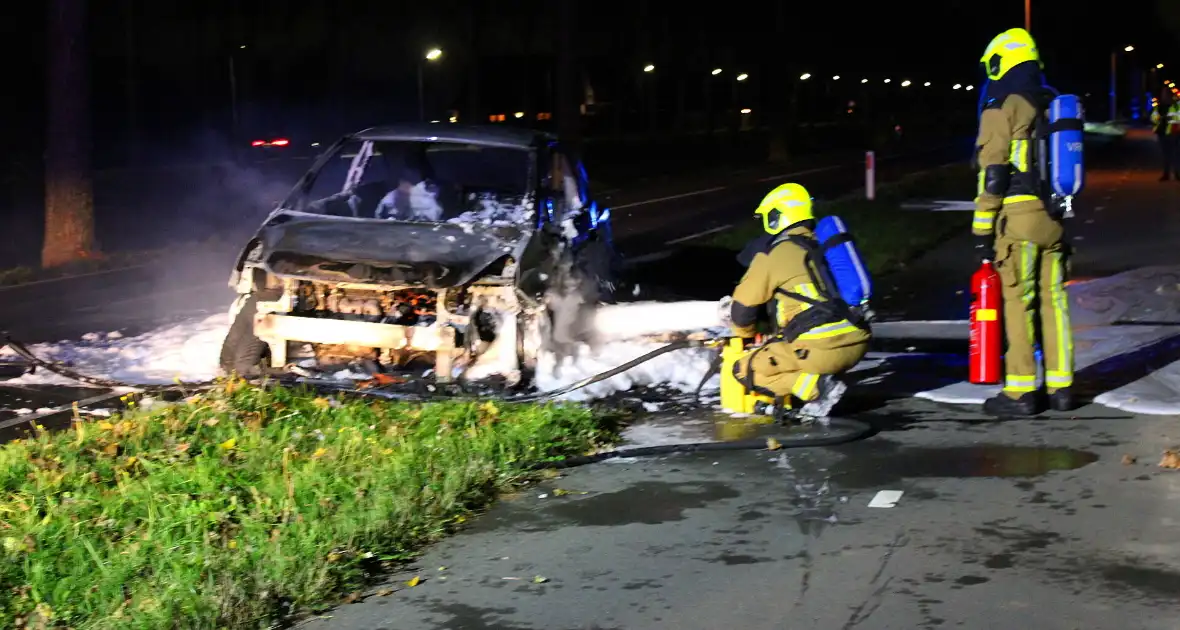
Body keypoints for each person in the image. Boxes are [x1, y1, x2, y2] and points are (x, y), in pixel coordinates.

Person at [973, 27, 1075, 416]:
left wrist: (983, 228)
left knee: (1019, 302)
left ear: (1002, 60)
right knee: (1056, 303)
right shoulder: (1050, 100)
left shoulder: (1003, 102)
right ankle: (1062, 388)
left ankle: (1020, 392)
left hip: (1018, 219)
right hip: (1054, 217)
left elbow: (994, 173)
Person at [725, 182, 871, 419]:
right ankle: (822, 380)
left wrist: (745, 336)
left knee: (744, 369)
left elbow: (741, 311)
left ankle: (819, 389)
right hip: (858, 342)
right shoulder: (822, 244)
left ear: (775, 217)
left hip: (820, 349)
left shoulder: (774, 254)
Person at [1151, 88, 1180, 181]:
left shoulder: (1176, 106)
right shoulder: (1159, 106)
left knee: (1175, 154)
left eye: (1166, 94)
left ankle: (1176, 173)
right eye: (1163, 94)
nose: (1165, 96)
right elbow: (1153, 118)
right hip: (1162, 132)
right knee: (1166, 154)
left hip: (1173, 132)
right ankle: (1167, 173)